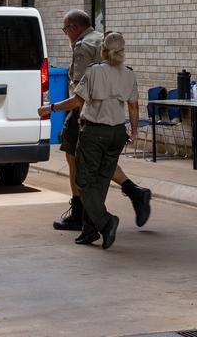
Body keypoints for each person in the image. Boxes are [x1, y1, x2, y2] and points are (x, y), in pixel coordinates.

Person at [53, 9, 150, 232]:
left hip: (87, 112)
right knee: (100, 161)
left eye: (65, 29)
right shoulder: (100, 38)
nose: (66, 34)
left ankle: (81, 214)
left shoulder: (83, 46)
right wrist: (133, 131)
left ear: (73, 27)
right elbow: (132, 100)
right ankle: (135, 193)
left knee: (75, 158)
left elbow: (79, 92)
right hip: (113, 116)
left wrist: (53, 108)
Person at [39, 32, 138, 249]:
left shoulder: (94, 72)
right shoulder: (129, 74)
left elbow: (76, 100)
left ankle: (105, 221)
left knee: (83, 182)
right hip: (117, 133)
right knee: (101, 182)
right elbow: (133, 105)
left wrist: (51, 107)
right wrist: (134, 131)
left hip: (94, 133)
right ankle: (89, 230)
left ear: (103, 50)